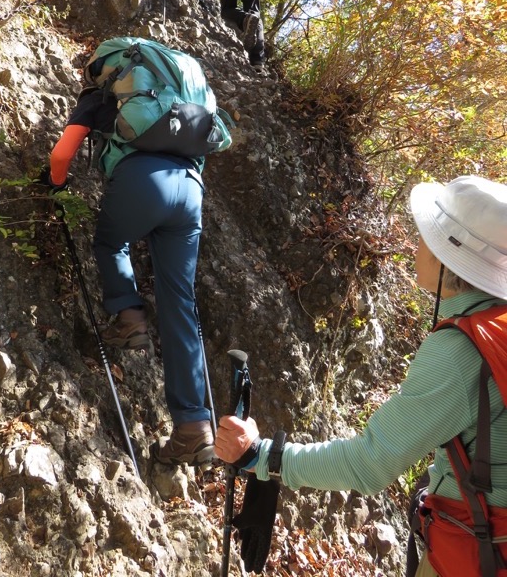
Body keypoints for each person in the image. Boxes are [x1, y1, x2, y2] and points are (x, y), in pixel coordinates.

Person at [215, 175, 507, 577]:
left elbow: (370, 464)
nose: (417, 245)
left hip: (478, 556)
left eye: (426, 237)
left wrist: (259, 455)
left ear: (445, 260)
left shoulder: (460, 351)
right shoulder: (499, 329)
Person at [44, 86, 214, 466]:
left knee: (110, 243)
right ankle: (193, 425)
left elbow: (61, 154)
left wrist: (54, 182)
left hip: (143, 181)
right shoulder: (178, 101)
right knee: (180, 302)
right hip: (190, 190)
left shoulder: (99, 95)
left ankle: (129, 318)